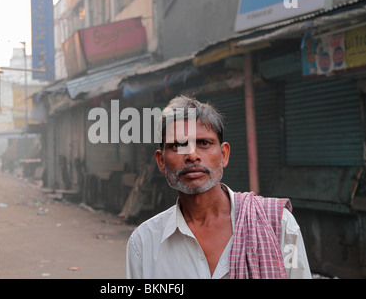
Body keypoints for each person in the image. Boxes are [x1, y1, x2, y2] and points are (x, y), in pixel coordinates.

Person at [126, 95, 312, 279]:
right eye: (178, 145)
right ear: (161, 162)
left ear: (223, 154)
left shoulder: (278, 224)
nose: (192, 155)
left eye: (204, 143)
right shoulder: (143, 242)